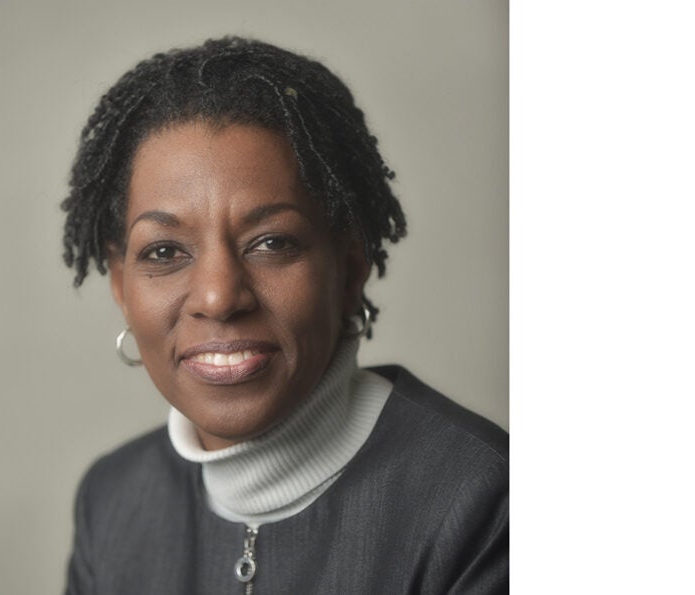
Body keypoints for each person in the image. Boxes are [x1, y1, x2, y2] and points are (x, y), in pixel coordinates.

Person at [60, 37, 507, 594]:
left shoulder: (481, 499)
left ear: (348, 269)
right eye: (165, 252)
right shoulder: (113, 502)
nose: (220, 298)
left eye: (271, 242)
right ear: (122, 285)